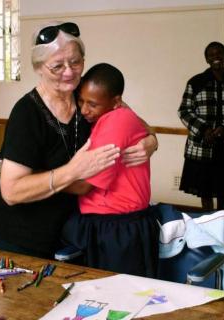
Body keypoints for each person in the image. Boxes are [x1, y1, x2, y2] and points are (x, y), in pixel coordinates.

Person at [0, 22, 157, 259]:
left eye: (76, 62)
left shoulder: (85, 94)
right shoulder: (27, 113)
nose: (69, 72)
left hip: (69, 233)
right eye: (57, 66)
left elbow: (131, 118)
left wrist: (151, 141)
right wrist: (73, 171)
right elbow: (11, 191)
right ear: (39, 68)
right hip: (21, 238)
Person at [61, 63, 158, 277]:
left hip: (117, 228)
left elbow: (84, 185)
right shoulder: (112, 116)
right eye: (81, 100)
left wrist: (41, 181)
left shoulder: (117, 120)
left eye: (92, 104)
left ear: (116, 102)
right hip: (116, 223)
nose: (84, 109)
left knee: (119, 298)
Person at [178, 42, 224, 211]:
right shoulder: (196, 82)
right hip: (202, 146)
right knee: (204, 189)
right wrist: (204, 129)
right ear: (206, 59)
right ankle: (207, 218)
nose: (215, 57)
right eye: (211, 54)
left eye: (219, 53)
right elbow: (184, 111)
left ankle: (220, 217)